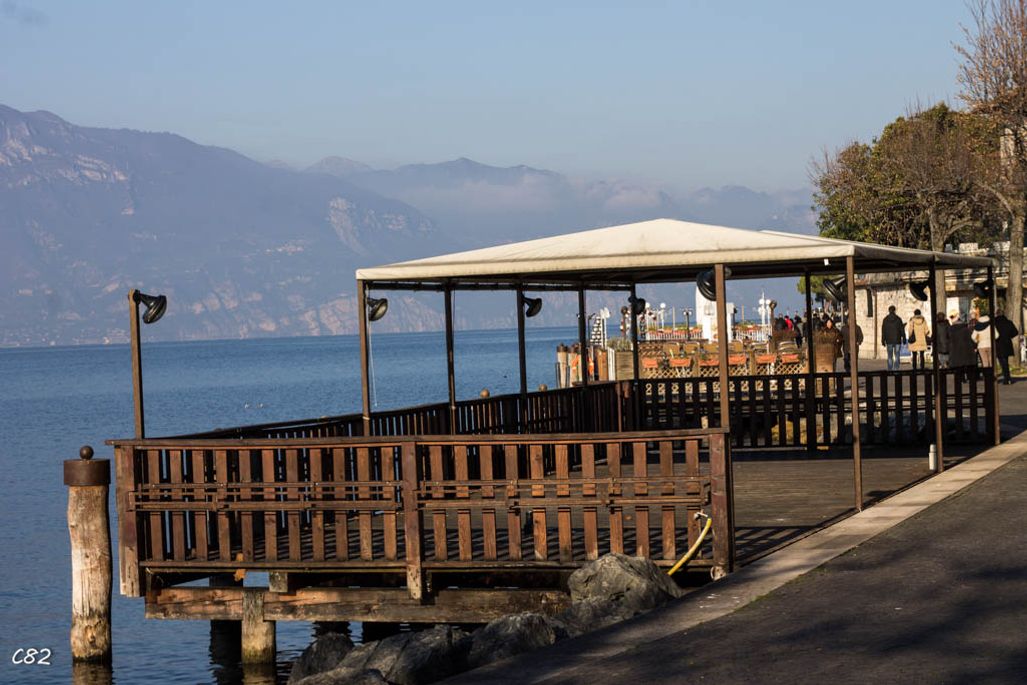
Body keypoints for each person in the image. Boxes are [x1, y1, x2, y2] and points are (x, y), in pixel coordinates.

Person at [994, 309, 1019, 384]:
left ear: (996, 314)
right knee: (1005, 360)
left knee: (1002, 361)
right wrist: (1009, 336)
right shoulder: (1008, 322)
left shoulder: (994, 323)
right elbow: (1015, 332)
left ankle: (1006, 377)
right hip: (1007, 343)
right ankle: (1007, 377)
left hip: (998, 344)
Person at [881, 305, 905, 371]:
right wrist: (904, 338)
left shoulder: (885, 320)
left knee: (890, 355)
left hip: (889, 340)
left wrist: (883, 340)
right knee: (897, 355)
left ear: (889, 311)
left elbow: (883, 331)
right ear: (895, 310)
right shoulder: (898, 319)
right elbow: (902, 330)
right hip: (897, 340)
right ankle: (896, 369)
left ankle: (890, 369)